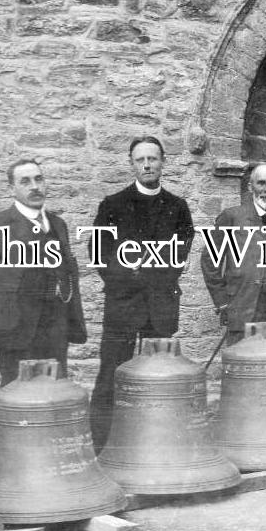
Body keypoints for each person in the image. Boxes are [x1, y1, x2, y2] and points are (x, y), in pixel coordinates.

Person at [89, 135, 194, 451]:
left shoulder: (177, 207)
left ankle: (157, 443)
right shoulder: (112, 205)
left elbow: (180, 252)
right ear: (131, 164)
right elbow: (100, 254)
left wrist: (154, 272)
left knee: (158, 375)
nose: (147, 165)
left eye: (153, 159)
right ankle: (102, 446)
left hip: (160, 304)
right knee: (112, 372)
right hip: (123, 303)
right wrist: (131, 275)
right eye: (140, 160)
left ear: (163, 162)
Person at [0, 159, 86, 384]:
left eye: (38, 179)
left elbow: (66, 276)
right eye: (25, 181)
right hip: (16, 334)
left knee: (55, 395)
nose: (34, 186)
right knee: (18, 399)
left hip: (55, 332)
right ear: (11, 189)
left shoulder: (57, 224)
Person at [201, 163, 266, 345]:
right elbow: (210, 261)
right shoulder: (232, 217)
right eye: (261, 183)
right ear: (250, 186)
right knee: (242, 364)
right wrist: (222, 301)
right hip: (243, 305)